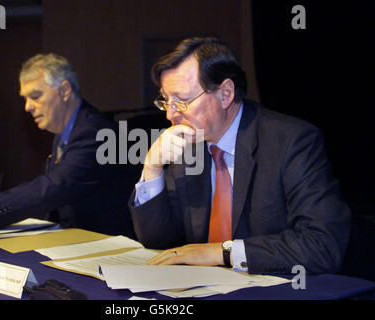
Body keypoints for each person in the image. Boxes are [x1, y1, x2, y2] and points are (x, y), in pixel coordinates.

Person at [129, 37, 350, 274]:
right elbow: (159, 242)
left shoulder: (291, 142)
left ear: (225, 94)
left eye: (182, 101)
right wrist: (152, 168)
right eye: (166, 100)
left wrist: (223, 252)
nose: (170, 115)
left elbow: (323, 245)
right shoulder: (188, 144)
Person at [0, 53, 136, 239]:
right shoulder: (66, 130)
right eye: (25, 99)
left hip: (104, 249)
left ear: (64, 90)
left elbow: (51, 189)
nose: (28, 107)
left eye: (35, 97)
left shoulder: (95, 132)